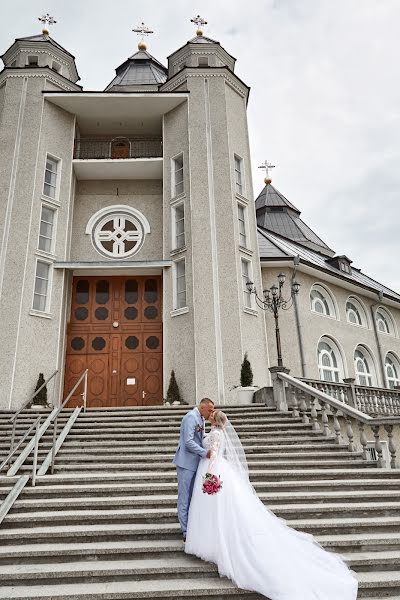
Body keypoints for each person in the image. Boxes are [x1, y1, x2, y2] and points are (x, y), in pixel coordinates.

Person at [185, 409, 358, 600]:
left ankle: (214, 541)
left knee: (216, 508)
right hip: (218, 468)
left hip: (213, 468)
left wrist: (210, 474)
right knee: (217, 509)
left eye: (212, 414)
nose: (209, 415)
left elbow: (214, 454)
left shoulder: (216, 433)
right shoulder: (217, 431)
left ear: (215, 420)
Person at [173, 397, 215, 541]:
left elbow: (200, 437)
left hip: (195, 462)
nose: (211, 413)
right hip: (186, 463)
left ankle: (191, 527)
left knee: (192, 496)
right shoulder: (191, 417)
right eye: (210, 410)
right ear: (202, 407)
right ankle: (185, 530)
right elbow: (188, 441)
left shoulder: (201, 418)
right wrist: (205, 453)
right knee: (184, 497)